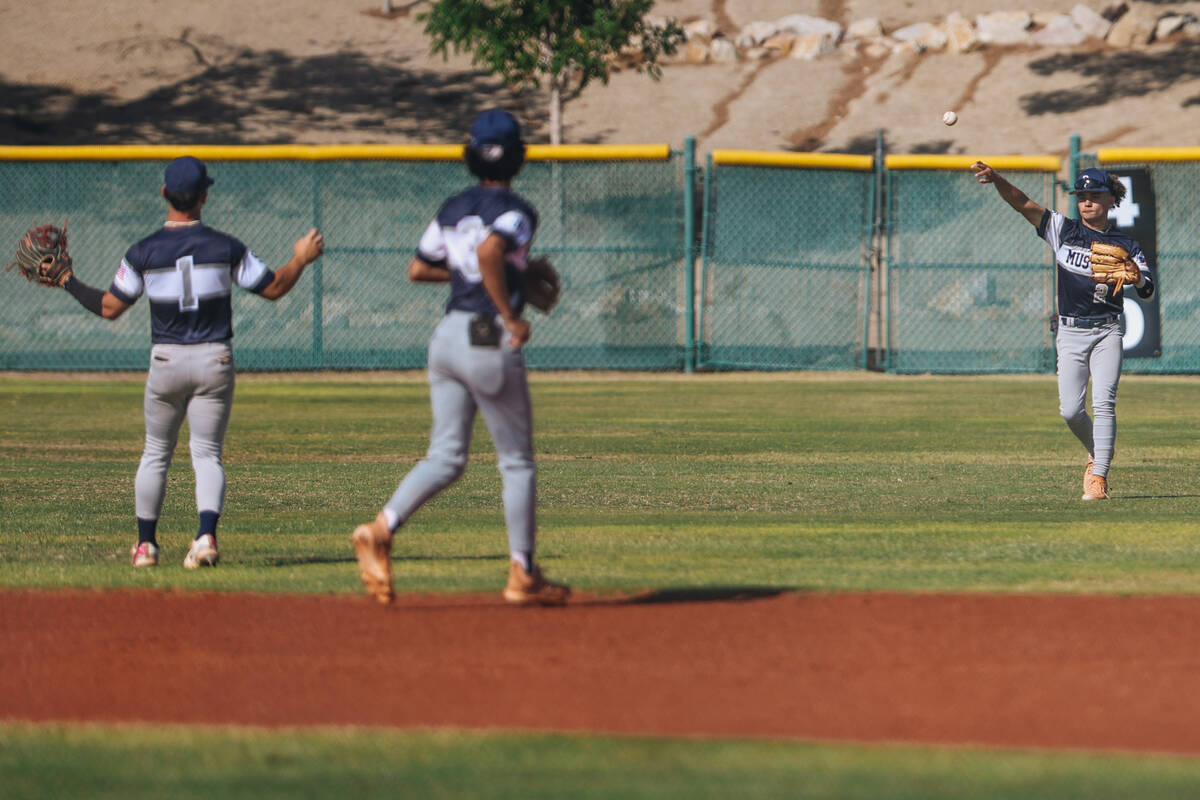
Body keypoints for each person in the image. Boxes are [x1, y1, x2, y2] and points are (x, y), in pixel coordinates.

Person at [60, 155, 325, 566]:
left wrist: (67, 281)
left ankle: (146, 546)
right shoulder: (225, 247)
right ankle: (204, 538)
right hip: (214, 359)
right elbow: (274, 288)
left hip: (166, 359)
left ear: (164, 194)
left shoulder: (143, 251)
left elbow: (111, 307)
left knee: (155, 453)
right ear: (204, 196)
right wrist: (300, 258)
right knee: (207, 454)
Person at [352, 108, 569, 606]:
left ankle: (381, 529)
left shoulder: (452, 208)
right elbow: (492, 251)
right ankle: (522, 572)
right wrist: (509, 311)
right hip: (487, 334)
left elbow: (420, 268)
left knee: (446, 457)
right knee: (516, 462)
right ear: (519, 157)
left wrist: (501, 275)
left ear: (471, 155)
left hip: (447, 337)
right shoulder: (518, 209)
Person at [972, 162, 1154, 500]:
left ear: (1111, 199)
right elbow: (1023, 203)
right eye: (1081, 196)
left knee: (1104, 403)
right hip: (1070, 332)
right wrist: (998, 180)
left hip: (1107, 332)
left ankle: (1098, 477)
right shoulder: (1062, 229)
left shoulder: (1125, 242)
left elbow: (1147, 289)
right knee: (1070, 410)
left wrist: (1136, 274)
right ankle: (1097, 452)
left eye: (1094, 195)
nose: (1086, 202)